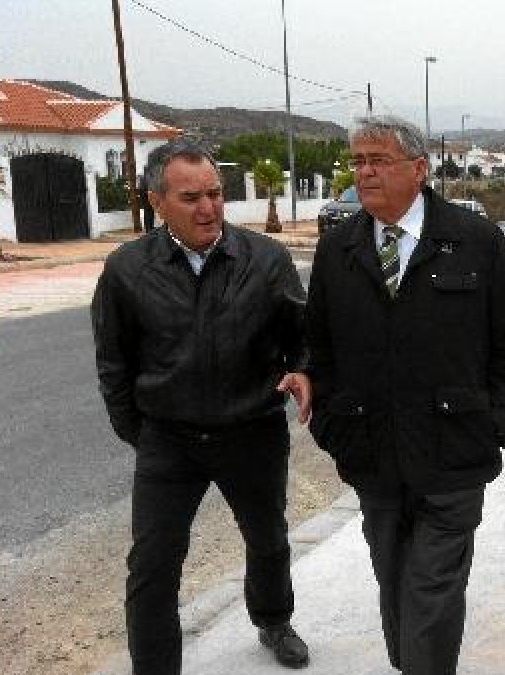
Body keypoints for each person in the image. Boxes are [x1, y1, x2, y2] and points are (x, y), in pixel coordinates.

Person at [304, 115, 505, 674]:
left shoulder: (474, 239)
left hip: (454, 452)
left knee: (430, 589)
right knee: (396, 580)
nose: (365, 172)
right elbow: (320, 349)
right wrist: (336, 433)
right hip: (373, 454)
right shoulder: (338, 248)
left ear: (419, 169)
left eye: (378, 161)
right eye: (358, 161)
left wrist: (494, 426)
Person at [91, 136, 313, 673]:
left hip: (253, 432)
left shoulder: (266, 259)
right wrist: (141, 433)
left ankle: (273, 620)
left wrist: (303, 368)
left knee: (268, 540)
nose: (209, 207)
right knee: (152, 567)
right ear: (156, 201)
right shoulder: (125, 270)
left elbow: (302, 335)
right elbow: (114, 363)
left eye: (216, 193)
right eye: (191, 198)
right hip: (169, 442)